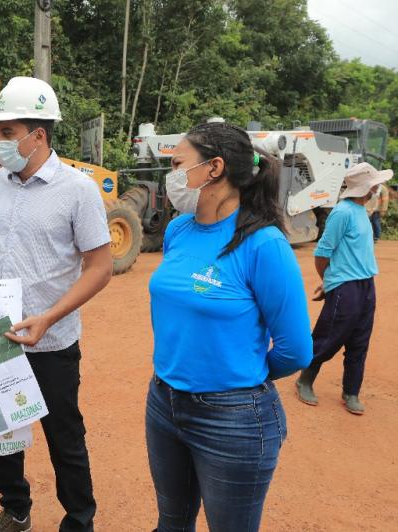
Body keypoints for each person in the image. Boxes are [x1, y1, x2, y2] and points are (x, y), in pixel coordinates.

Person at [0, 76, 112, 532]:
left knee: (64, 437)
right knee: (2, 435)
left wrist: (48, 317)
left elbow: (100, 267)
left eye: (7, 132)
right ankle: (16, 508)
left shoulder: (78, 191)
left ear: (37, 136)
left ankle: (79, 519)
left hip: (53, 341)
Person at [146, 121, 313, 531]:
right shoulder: (177, 230)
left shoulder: (264, 245)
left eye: (178, 163)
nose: (172, 176)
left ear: (214, 168)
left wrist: (238, 375)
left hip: (233, 419)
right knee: (171, 523)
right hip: (164, 403)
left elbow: (296, 350)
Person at [295, 162, 393, 415]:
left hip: (366, 284)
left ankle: (351, 391)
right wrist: (327, 281)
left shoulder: (362, 210)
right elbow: (322, 253)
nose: (375, 188)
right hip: (345, 286)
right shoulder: (343, 212)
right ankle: (305, 379)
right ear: (364, 187)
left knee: (360, 339)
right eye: (372, 185)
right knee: (329, 336)